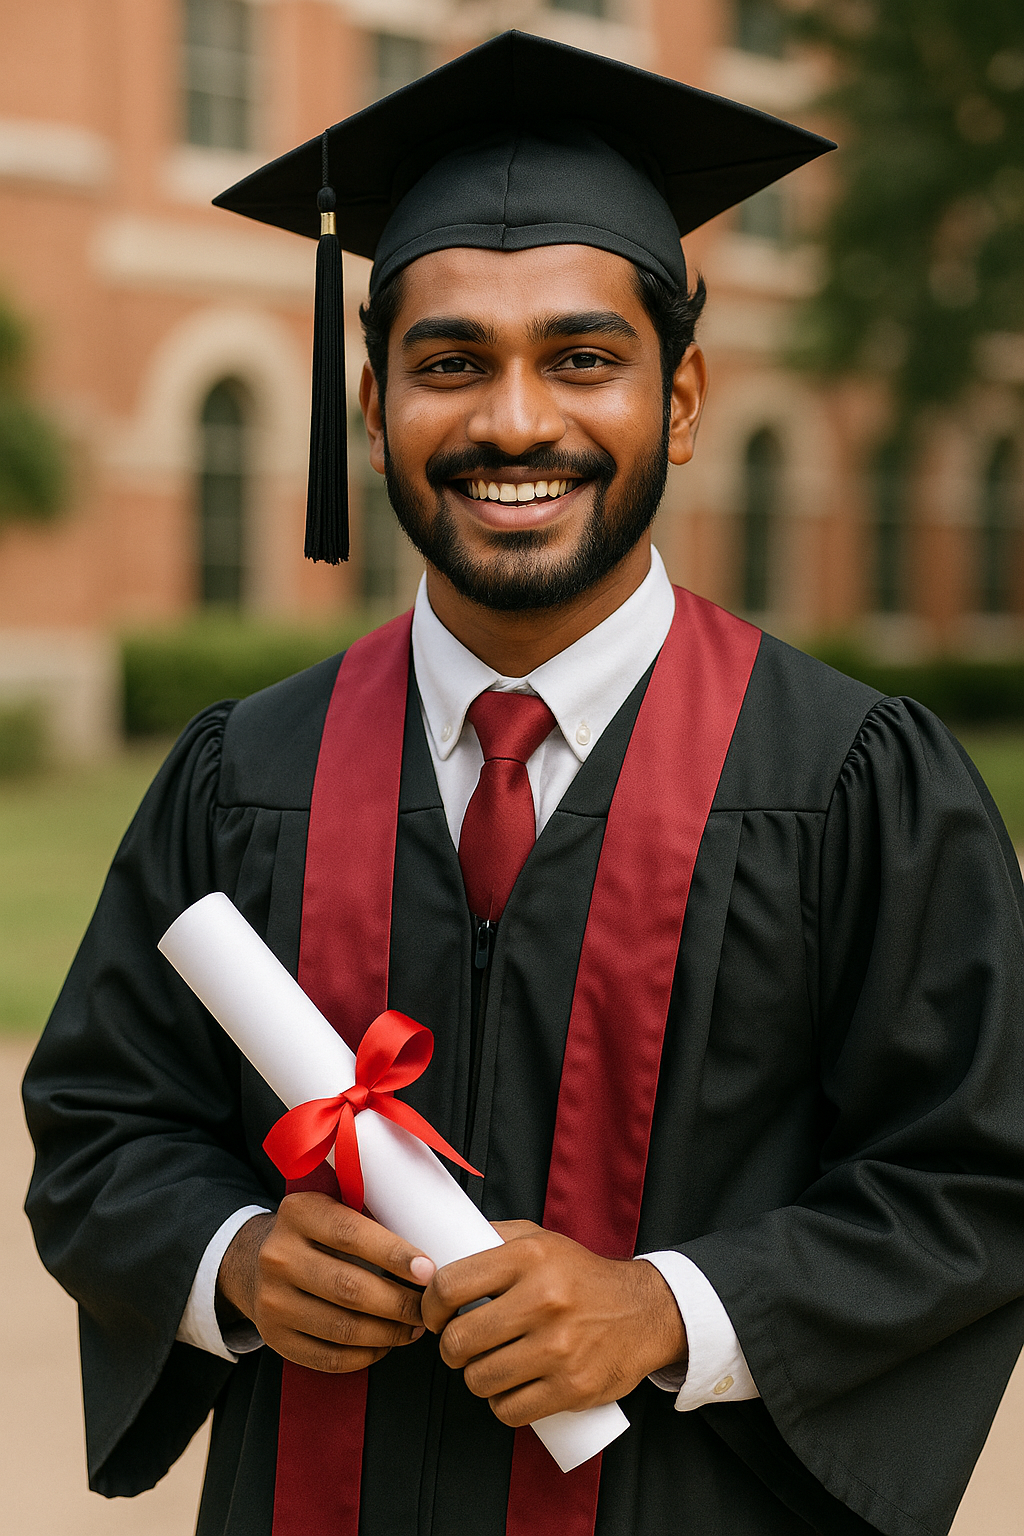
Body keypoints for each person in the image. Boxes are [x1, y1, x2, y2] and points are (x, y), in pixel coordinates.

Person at [23, 30, 1024, 1536]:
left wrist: (673, 1309)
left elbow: (976, 1177)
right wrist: (232, 1257)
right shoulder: (245, 775)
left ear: (681, 398)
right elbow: (104, 1128)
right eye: (448, 364)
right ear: (371, 413)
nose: (511, 422)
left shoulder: (852, 781)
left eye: (580, 358)